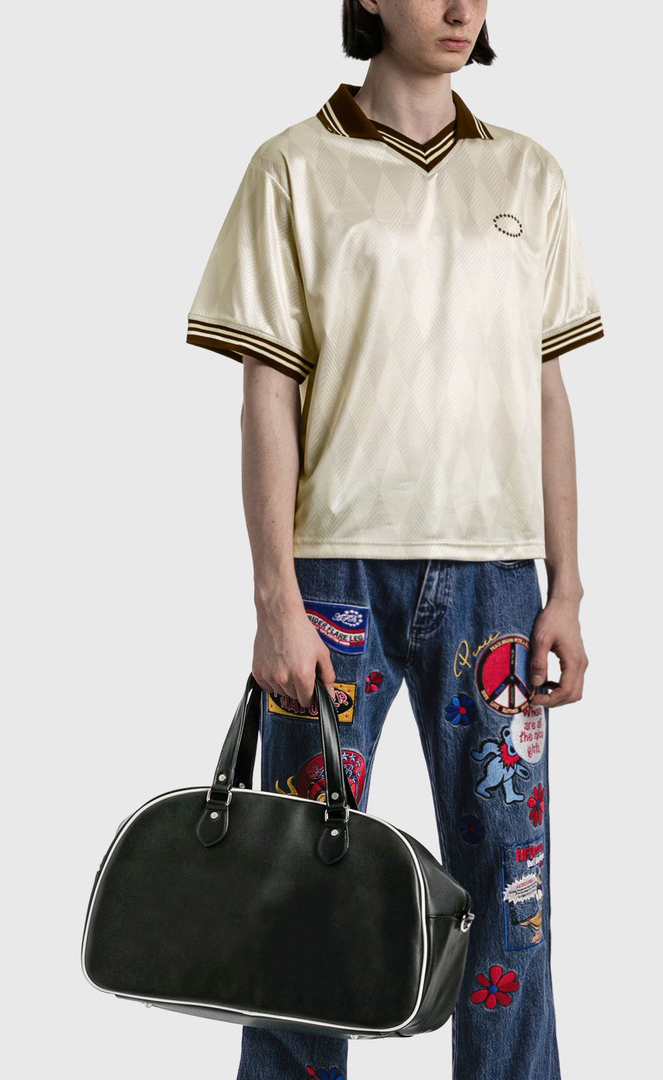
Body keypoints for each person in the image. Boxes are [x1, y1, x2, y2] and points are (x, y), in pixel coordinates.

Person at [185, 2, 606, 1077]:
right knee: (301, 892)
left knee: (512, 891)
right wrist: (275, 600)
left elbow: (548, 393)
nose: (461, 8)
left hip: (498, 583)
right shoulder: (291, 169)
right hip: (334, 579)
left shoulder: (530, 176)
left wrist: (566, 589)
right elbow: (266, 395)